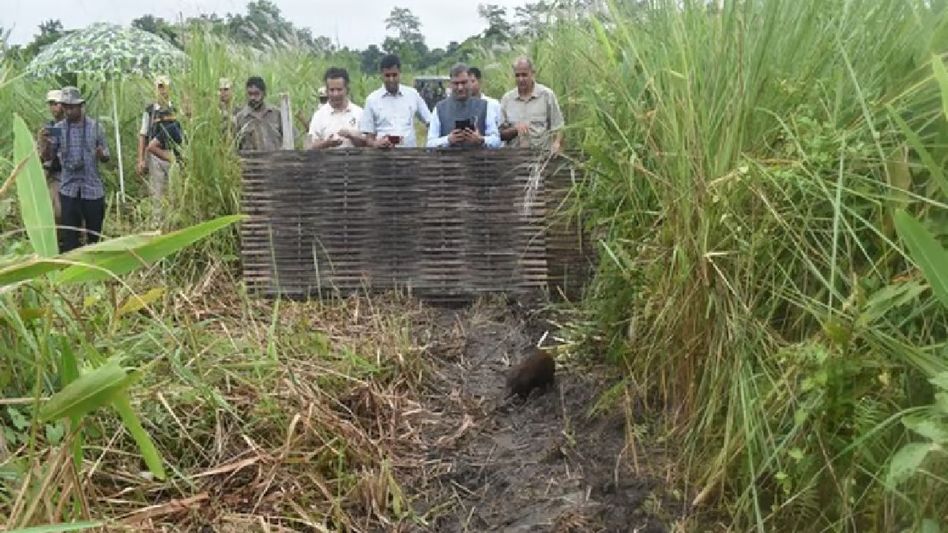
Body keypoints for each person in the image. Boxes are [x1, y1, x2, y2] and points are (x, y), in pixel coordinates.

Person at [49, 86, 110, 252]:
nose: (68, 111)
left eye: (72, 107)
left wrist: (101, 154)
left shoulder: (96, 127)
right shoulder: (58, 128)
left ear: (81, 106)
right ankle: (72, 268)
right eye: (65, 107)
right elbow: (48, 156)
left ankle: (93, 267)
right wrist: (44, 143)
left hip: (92, 188)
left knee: (94, 234)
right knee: (70, 235)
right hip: (69, 189)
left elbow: (106, 156)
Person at [360, 54, 431, 148]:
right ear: (381, 74)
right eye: (387, 75)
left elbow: (430, 121)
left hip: (409, 155)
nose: (391, 79)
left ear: (400, 73)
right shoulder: (372, 100)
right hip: (383, 156)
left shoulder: (412, 95)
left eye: (394, 75)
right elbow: (368, 137)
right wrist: (376, 143)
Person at [426, 63, 500, 149]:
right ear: (450, 84)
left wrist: (481, 140)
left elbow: (496, 140)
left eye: (464, 82)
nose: (460, 87)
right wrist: (448, 140)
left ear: (470, 82)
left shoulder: (486, 106)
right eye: (456, 83)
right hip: (449, 161)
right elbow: (430, 144)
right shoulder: (439, 108)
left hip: (478, 160)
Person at [499, 57, 565, 152]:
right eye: (517, 75)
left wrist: (557, 143)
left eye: (524, 75)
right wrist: (515, 130)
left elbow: (558, 127)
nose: (521, 79)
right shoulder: (507, 99)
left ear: (533, 74)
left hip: (540, 157)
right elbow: (501, 135)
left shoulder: (546, 95)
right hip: (513, 158)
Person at [307, 67, 367, 149]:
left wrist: (351, 136)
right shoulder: (319, 116)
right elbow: (311, 146)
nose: (335, 94)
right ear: (327, 91)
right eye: (332, 90)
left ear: (347, 90)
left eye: (339, 90)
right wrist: (327, 143)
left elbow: (368, 142)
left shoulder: (359, 113)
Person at [137, 75, 177, 197]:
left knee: (175, 193)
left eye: (165, 87)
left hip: (173, 154)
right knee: (157, 194)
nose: (163, 91)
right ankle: (157, 217)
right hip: (155, 156)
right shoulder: (150, 110)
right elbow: (143, 135)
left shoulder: (176, 108)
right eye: (160, 87)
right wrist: (141, 160)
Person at [233, 76, 286, 152]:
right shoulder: (240, 118)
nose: (252, 98)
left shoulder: (276, 113)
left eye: (256, 94)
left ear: (264, 94)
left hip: (275, 161)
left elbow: (291, 139)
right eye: (250, 94)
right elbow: (235, 147)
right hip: (251, 162)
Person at [37, 89, 65, 225]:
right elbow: (43, 157)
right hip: (55, 173)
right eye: (51, 104)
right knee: (57, 212)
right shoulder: (48, 128)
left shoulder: (75, 125)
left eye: (56, 103)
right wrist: (45, 143)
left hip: (74, 173)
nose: (53, 107)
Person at [468, 66, 502, 138]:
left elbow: (501, 128)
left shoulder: (493, 104)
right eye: (467, 82)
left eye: (472, 81)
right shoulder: (462, 105)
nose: (469, 85)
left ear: (480, 81)